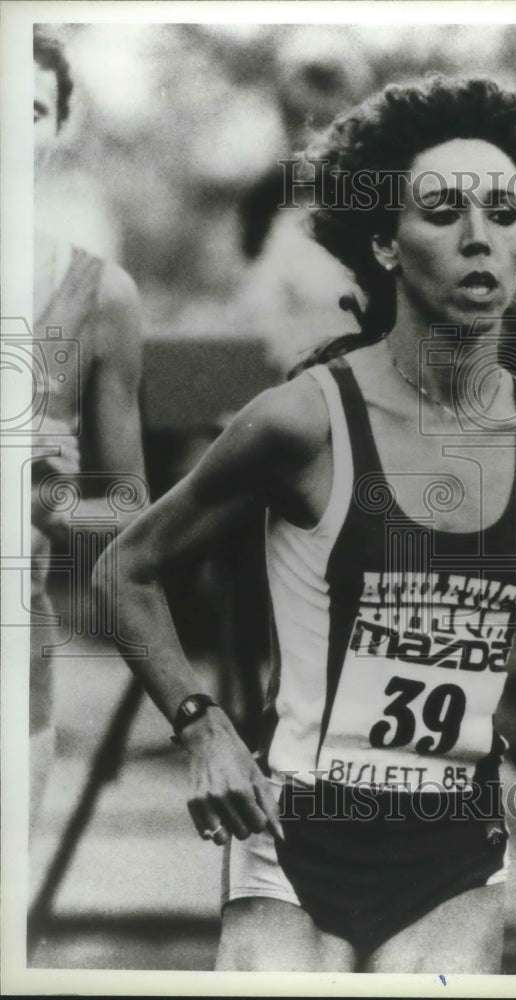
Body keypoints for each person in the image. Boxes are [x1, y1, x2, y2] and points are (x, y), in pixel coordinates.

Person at [96, 74, 516, 974]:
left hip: (452, 851)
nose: (479, 239)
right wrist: (204, 727)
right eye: (443, 211)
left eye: (503, 214)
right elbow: (124, 570)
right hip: (292, 838)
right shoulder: (303, 422)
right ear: (384, 241)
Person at [30, 27, 147, 821]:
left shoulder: (99, 296)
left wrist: (48, 505)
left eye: (31, 108)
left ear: (58, 127)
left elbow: (128, 512)